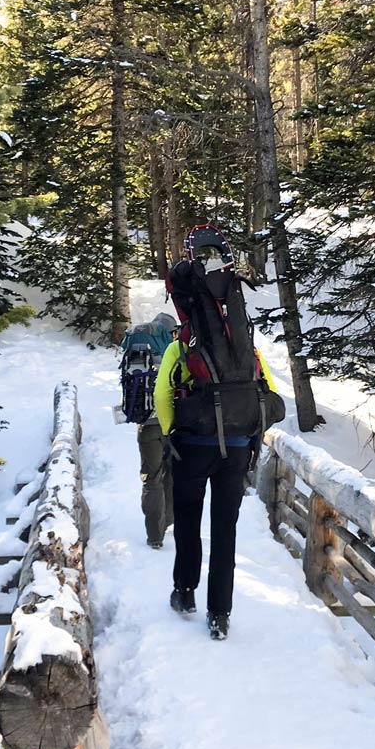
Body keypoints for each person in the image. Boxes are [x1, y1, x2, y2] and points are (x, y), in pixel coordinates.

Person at [153, 249, 280, 640]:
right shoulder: (247, 349)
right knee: (226, 530)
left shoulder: (182, 346)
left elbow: (161, 397)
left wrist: (172, 434)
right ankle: (219, 614)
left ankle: (185, 591)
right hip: (238, 449)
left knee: (188, 522)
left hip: (193, 447)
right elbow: (269, 393)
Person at [120, 313, 178, 549]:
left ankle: (155, 534)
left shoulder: (137, 349)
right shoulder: (173, 350)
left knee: (151, 479)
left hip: (146, 425)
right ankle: (167, 520)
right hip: (173, 424)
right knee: (172, 474)